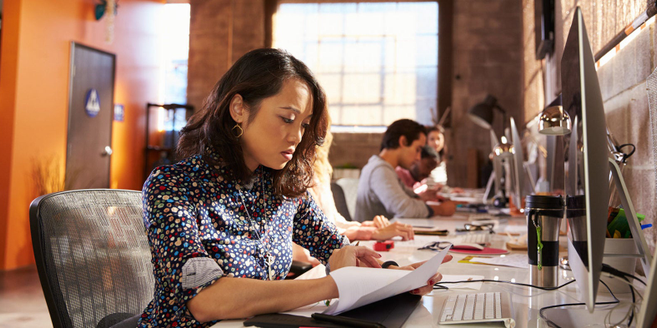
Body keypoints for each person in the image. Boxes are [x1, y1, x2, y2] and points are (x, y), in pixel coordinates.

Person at [137, 49, 448, 327]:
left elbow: (336, 248)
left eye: (303, 124)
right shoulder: (173, 186)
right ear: (238, 109)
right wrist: (340, 284)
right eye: (287, 118)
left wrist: (392, 276)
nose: (297, 136)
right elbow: (206, 301)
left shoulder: (282, 187)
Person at [355, 119, 458, 222]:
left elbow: (407, 196)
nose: (418, 158)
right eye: (417, 149)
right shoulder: (380, 170)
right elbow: (404, 209)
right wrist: (441, 209)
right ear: (403, 142)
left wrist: (422, 197)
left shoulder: (386, 169)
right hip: (375, 237)